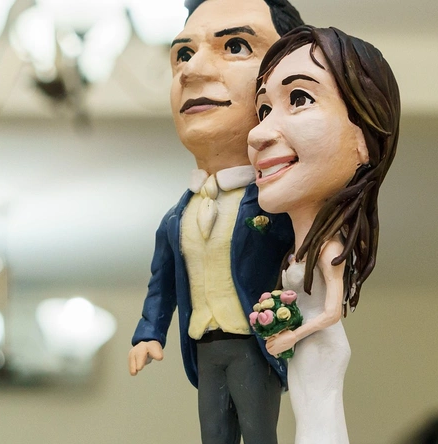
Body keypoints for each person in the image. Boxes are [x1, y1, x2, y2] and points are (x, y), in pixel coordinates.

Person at [128, 1, 303, 443]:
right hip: (204, 345)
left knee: (258, 431)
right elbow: (161, 284)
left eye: (236, 45)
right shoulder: (177, 217)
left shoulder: (277, 206)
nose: (191, 70)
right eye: (183, 54)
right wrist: (149, 333)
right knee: (214, 433)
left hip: (254, 342)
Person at [247, 26, 401, 443]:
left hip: (319, 347)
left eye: (299, 98)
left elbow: (332, 312)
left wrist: (292, 335)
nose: (256, 133)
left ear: (363, 140)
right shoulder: (297, 247)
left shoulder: (329, 246)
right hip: (304, 348)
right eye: (263, 110)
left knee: (319, 425)